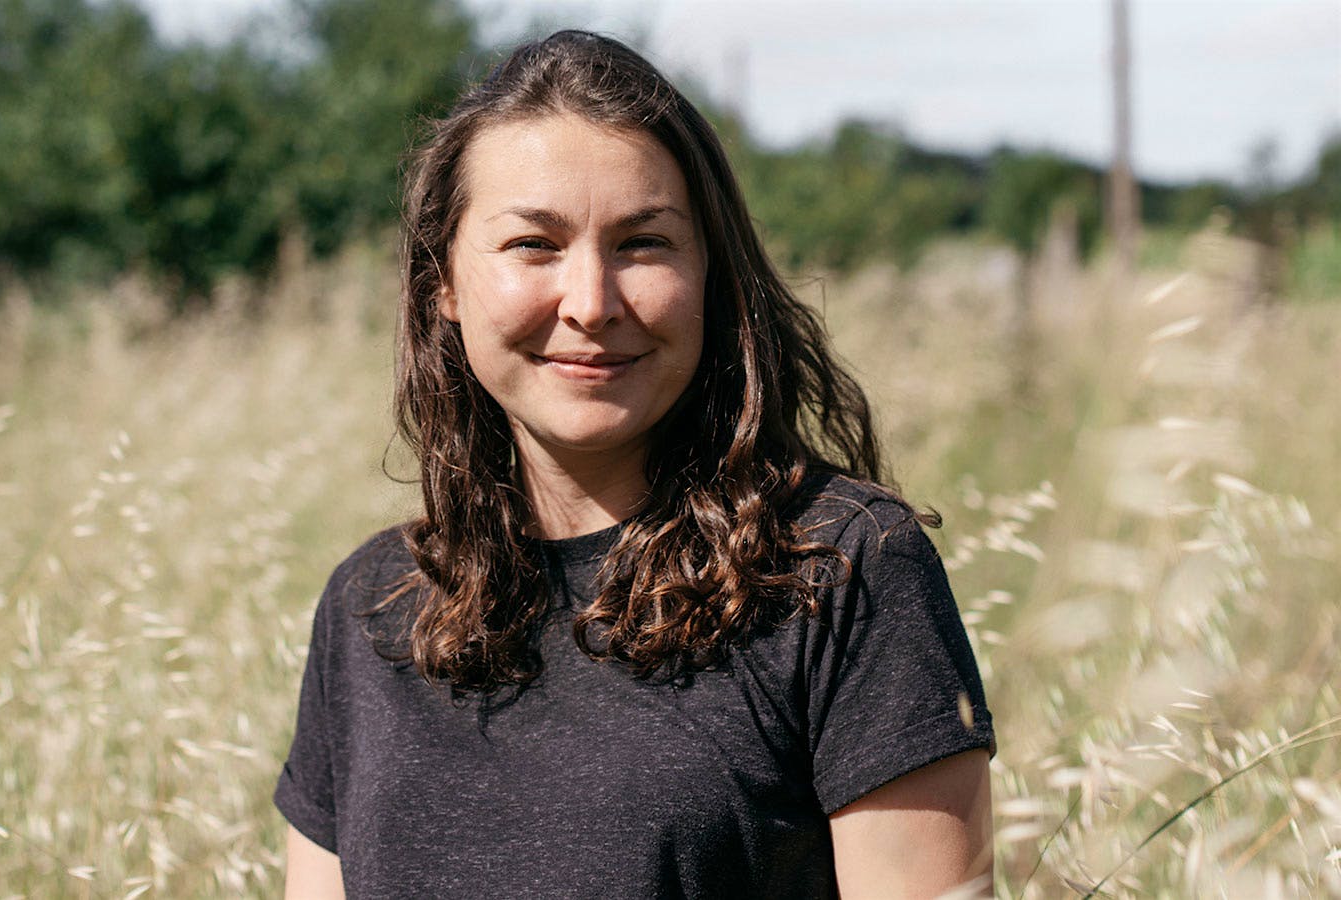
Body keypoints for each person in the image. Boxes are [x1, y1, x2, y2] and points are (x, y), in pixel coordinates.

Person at [275, 30, 994, 899]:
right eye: (533, 245)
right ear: (446, 286)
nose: (591, 304)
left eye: (643, 243)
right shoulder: (370, 606)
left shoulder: (840, 569)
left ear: (710, 276)